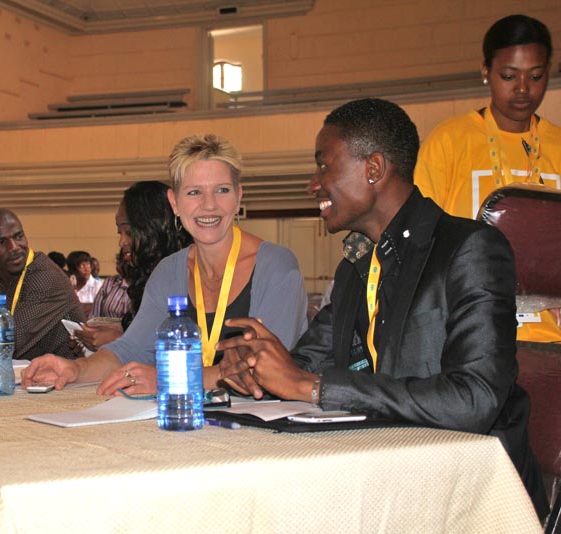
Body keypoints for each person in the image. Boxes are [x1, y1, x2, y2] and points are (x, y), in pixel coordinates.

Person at [218, 98, 548, 518]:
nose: (313, 185)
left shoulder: (469, 249)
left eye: (324, 166)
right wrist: (255, 371)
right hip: (387, 478)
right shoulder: (356, 267)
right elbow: (303, 365)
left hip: (469, 497)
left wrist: (313, 387)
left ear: (373, 168)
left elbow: (474, 399)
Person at [23, 133, 309, 395]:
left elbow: (263, 368)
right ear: (175, 203)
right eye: (194, 192)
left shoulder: (276, 266)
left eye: (222, 190)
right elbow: (130, 349)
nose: (209, 205)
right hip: (190, 415)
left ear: (239, 197)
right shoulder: (169, 271)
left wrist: (168, 379)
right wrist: (75, 369)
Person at [414, 14, 560, 343]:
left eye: (536, 76)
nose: (523, 88)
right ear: (485, 71)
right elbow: (421, 239)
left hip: (550, 339)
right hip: (471, 334)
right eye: (509, 75)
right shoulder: (449, 142)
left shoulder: (558, 145)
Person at [77, 180, 192, 352]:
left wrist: (120, 341)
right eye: (120, 232)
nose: (122, 242)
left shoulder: (184, 275)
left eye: (129, 232)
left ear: (154, 230)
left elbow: (184, 348)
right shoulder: (145, 279)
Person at [0, 208, 86, 360]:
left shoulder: (44, 275)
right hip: (15, 370)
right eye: (1, 242)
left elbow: (8, 342)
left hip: (64, 372)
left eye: (19, 237)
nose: (14, 247)